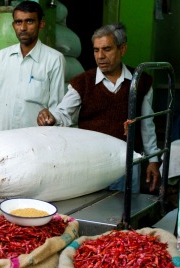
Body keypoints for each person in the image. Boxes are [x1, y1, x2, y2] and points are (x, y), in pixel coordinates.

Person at [37, 23, 160, 193]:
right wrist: (51, 117)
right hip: (91, 163)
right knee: (91, 210)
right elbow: (64, 113)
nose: (100, 56)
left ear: (122, 49)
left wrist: (153, 160)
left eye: (107, 49)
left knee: (123, 213)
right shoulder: (83, 82)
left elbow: (147, 125)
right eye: (96, 50)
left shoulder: (140, 82)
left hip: (126, 163)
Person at [0, 0, 65, 131]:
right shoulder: (2, 57)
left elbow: (56, 109)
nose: (23, 28)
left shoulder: (54, 60)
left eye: (29, 21)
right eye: (18, 22)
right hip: (2, 140)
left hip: (35, 144)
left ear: (41, 24)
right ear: (13, 25)